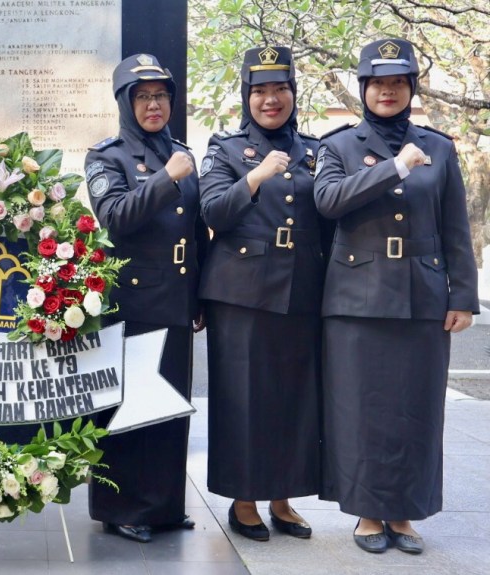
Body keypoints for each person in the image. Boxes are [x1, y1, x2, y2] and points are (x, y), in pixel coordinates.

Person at [315, 38, 478, 555]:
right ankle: (368, 513)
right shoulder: (337, 146)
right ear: (363, 88)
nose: (388, 91)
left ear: (411, 88)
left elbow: (455, 227)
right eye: (378, 83)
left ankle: (404, 512)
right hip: (356, 300)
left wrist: (463, 295)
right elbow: (328, 201)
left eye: (398, 83)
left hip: (422, 296)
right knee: (361, 409)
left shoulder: (440, 147)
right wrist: (395, 167)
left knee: (416, 408)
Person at [198, 46, 326, 542]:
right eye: (260, 91)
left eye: (280, 89)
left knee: (295, 396)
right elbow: (213, 211)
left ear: (293, 93)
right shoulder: (225, 149)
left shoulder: (316, 149)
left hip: (302, 288)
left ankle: (283, 498)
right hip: (241, 292)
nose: (271, 100)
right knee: (243, 397)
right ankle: (244, 499)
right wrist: (255, 176)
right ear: (246, 97)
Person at [84, 53, 208, 543]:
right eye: (142, 97)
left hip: (176, 296)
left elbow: (196, 230)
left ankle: (164, 506)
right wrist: (166, 178)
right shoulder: (106, 156)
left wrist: (200, 294)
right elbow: (115, 217)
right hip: (131, 301)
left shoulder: (181, 153)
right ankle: (121, 508)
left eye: (160, 96)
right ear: (124, 103)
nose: (153, 105)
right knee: (127, 408)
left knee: (170, 404)